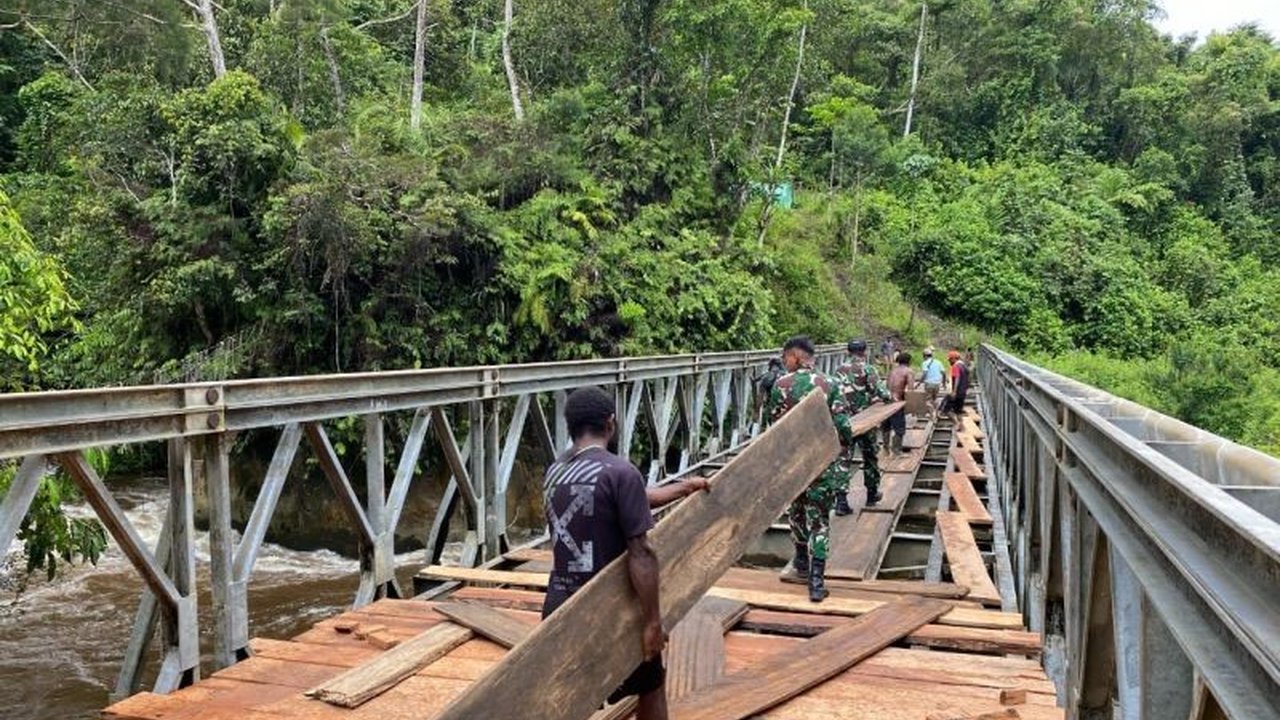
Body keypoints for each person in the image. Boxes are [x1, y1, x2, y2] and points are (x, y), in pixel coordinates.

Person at [542, 386, 710, 720]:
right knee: (650, 686)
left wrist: (682, 487)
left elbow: (622, 496)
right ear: (611, 423)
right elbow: (642, 554)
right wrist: (651, 622)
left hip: (560, 603)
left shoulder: (555, 472)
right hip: (611, 606)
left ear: (571, 426)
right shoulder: (620, 471)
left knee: (572, 695)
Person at [765, 336, 859, 602]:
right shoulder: (831, 384)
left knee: (795, 512)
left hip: (793, 466)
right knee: (819, 521)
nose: (785, 363)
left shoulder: (781, 385)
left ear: (795, 356)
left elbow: (774, 428)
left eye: (786, 359)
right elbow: (843, 425)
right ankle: (816, 584)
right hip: (822, 465)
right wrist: (841, 447)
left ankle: (801, 563)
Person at [835, 339, 892, 511]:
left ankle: (841, 502)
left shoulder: (839, 370)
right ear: (864, 351)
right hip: (865, 421)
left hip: (845, 422)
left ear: (848, 351)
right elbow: (881, 391)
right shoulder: (868, 369)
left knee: (843, 460)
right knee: (870, 457)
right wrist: (890, 398)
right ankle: (871, 495)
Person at [881, 352, 913, 456]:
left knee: (886, 426)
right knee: (899, 428)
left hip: (886, 400)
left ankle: (885, 449)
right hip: (897, 402)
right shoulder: (908, 371)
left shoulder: (892, 371)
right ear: (909, 361)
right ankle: (896, 450)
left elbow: (887, 385)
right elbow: (911, 390)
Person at [918, 346, 947, 419]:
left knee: (928, 400)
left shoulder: (925, 363)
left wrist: (919, 382)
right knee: (935, 399)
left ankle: (932, 415)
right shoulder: (938, 362)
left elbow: (924, 374)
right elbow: (944, 373)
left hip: (929, 384)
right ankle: (937, 413)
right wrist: (944, 383)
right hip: (937, 384)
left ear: (924, 356)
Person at [943, 350, 971, 422]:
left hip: (957, 392)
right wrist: (967, 388)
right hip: (963, 392)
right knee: (958, 411)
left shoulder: (956, 366)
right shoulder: (964, 366)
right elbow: (968, 379)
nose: (949, 362)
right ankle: (961, 427)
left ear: (954, 359)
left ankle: (956, 424)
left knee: (946, 410)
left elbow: (957, 378)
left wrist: (954, 391)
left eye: (950, 360)